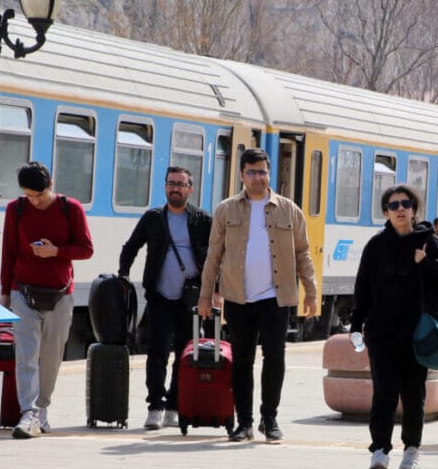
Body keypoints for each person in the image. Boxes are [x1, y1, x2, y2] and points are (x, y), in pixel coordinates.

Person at [198, 148, 317, 443]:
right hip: (238, 296)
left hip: (276, 296)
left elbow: (303, 253)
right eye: (251, 172)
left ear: (269, 173)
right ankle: (245, 422)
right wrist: (205, 296)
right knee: (242, 360)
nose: (257, 177)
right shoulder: (226, 210)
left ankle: (270, 419)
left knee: (275, 356)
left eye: (262, 171)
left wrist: (311, 292)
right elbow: (214, 255)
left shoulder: (289, 209)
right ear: (241, 175)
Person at [351, 185, 438, 469]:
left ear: (414, 209)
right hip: (381, 332)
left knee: (413, 393)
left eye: (406, 203)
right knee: (384, 392)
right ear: (386, 212)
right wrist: (356, 325)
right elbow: (362, 289)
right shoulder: (376, 246)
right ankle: (380, 452)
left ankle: (411, 450)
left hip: (417, 332)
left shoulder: (428, 242)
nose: (400, 209)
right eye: (393, 204)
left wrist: (424, 264)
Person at [0, 162, 94, 438]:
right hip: (23, 291)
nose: (35, 201)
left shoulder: (70, 208)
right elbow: (8, 252)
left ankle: (42, 408)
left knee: (51, 357)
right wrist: (5, 292)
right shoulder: (16, 210)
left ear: (50, 185)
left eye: (39, 196)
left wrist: (56, 252)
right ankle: (28, 412)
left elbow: (86, 249)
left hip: (60, 294)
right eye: (29, 196)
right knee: (26, 355)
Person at [118, 167, 212, 430]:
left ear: (190, 189)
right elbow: (131, 247)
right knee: (157, 352)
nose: (176, 188)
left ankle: (174, 404)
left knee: (185, 354)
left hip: (190, 299)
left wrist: (214, 289)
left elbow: (218, 254)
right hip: (159, 296)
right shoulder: (153, 218)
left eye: (181, 184)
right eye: (171, 183)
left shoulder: (202, 220)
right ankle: (155, 406)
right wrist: (123, 275)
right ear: (165, 187)